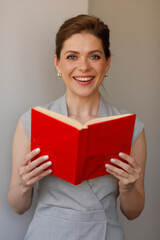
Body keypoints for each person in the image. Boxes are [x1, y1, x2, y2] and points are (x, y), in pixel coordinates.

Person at [8, 14, 146, 240]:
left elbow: (133, 212)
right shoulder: (31, 122)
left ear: (107, 62)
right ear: (57, 63)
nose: (83, 67)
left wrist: (128, 188)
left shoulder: (132, 128)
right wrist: (23, 184)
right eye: (72, 56)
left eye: (94, 56)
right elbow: (17, 206)